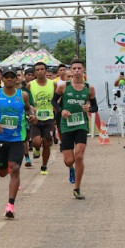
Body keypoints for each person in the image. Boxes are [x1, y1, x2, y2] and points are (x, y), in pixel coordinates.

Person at [0, 68, 37, 218]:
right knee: (3, 172)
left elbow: (29, 109)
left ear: (16, 79)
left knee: (15, 168)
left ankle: (10, 205)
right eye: (6, 77)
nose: (9, 79)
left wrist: (32, 116)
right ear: (2, 79)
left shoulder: (22, 95)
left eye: (12, 77)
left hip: (17, 138)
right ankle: (4, 166)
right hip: (1, 138)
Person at [53, 59, 97, 199]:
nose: (77, 71)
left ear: (83, 70)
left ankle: (77, 188)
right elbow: (54, 101)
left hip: (81, 124)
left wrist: (89, 108)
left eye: (79, 68)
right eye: (74, 68)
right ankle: (70, 168)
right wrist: (61, 110)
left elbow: (95, 107)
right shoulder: (63, 87)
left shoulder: (89, 88)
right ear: (70, 71)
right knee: (69, 161)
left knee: (79, 155)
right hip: (66, 125)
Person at [28, 62, 56, 174]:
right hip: (35, 117)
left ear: (46, 71)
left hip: (49, 118)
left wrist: (55, 109)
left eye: (42, 69)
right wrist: (31, 108)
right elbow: (26, 100)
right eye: (37, 70)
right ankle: (36, 148)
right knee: (36, 142)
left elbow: (57, 98)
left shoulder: (53, 84)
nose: (40, 71)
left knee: (47, 143)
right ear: (35, 72)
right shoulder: (30, 85)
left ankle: (44, 166)